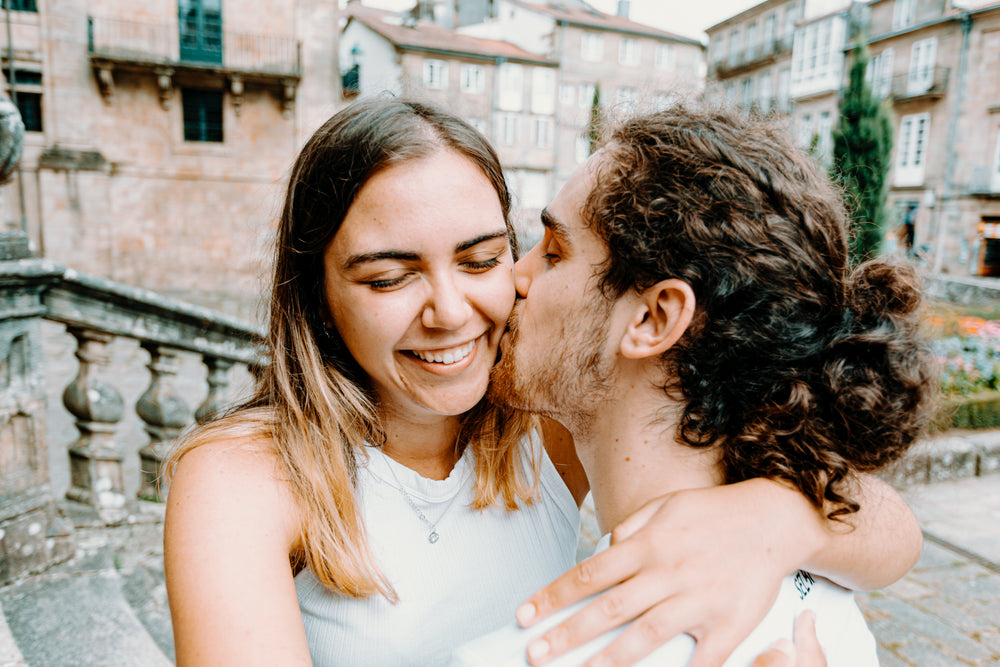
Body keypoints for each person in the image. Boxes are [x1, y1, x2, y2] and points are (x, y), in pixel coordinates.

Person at [163, 98, 924, 667]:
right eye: (392, 276)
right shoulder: (247, 476)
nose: (454, 312)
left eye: (485, 258)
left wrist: (774, 520)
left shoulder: (546, 416)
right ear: (318, 293)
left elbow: (889, 526)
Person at [450, 103, 935, 666]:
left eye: (554, 253)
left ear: (654, 319)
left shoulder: (525, 655)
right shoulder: (828, 595)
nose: (516, 275)